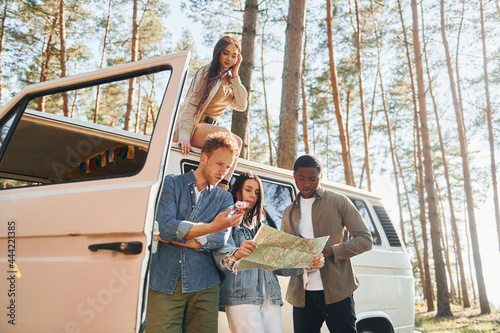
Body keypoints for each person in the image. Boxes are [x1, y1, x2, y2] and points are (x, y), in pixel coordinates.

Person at [145, 132, 244, 333]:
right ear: (203, 157)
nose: (224, 172)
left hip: (205, 286)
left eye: (228, 167)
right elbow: (165, 226)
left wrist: (173, 239)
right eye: (219, 164)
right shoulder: (172, 183)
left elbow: (218, 241)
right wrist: (212, 227)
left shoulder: (224, 199)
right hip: (164, 283)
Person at [213, 171, 324, 333]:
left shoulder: (263, 226)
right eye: (248, 190)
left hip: (271, 296)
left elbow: (278, 264)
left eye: (257, 192)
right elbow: (220, 254)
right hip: (242, 297)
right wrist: (237, 252)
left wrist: (307, 263)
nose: (253, 195)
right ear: (237, 191)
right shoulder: (228, 221)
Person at [281, 155, 373, 333]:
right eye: (301, 178)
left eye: (313, 179)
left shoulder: (339, 201)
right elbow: (285, 252)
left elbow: (365, 239)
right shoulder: (288, 212)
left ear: (321, 177)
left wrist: (330, 251)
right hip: (302, 295)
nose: (307, 184)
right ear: (294, 177)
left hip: (338, 291)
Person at [173, 35, 248, 190]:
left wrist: (235, 75)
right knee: (226, 134)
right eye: (226, 53)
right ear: (218, 52)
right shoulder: (206, 72)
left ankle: (222, 187)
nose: (229, 58)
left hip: (210, 130)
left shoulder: (229, 80)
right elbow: (190, 106)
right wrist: (184, 136)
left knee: (237, 142)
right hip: (194, 127)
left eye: (234, 56)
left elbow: (242, 105)